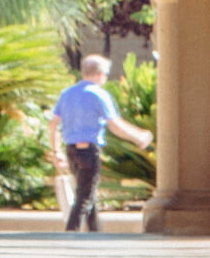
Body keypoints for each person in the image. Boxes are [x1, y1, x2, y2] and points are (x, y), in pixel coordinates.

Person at [47, 54, 151, 233]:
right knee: (85, 197)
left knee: (88, 193)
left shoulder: (67, 94)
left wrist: (56, 151)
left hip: (71, 150)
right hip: (89, 151)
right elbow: (115, 125)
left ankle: (95, 233)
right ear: (100, 74)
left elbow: (53, 124)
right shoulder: (99, 94)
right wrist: (139, 137)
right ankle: (70, 234)